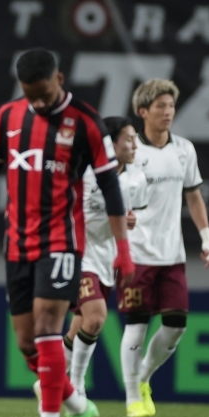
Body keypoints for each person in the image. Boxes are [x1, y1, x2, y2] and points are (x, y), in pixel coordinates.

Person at [0, 49, 134, 417]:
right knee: (26, 342)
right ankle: (77, 405)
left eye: (44, 93)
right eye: (30, 93)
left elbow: (109, 185)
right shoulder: (8, 117)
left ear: (60, 79)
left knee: (48, 326)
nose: (38, 102)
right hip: (16, 241)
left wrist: (123, 248)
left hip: (61, 241)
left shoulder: (85, 122)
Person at [120, 79, 209, 417]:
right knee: (137, 324)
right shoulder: (130, 152)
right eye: (160, 106)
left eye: (171, 106)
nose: (168, 112)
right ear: (143, 111)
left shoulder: (184, 150)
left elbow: (193, 195)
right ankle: (132, 396)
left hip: (172, 253)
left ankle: (143, 376)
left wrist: (206, 236)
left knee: (176, 326)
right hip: (136, 252)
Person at [61, 117, 149, 397]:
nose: (135, 145)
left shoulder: (136, 178)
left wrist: (128, 221)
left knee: (80, 328)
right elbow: (77, 215)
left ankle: (48, 380)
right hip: (79, 254)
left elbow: (132, 216)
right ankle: (76, 384)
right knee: (97, 318)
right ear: (111, 143)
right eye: (129, 138)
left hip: (107, 260)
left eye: (136, 138)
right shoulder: (85, 172)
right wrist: (119, 219)